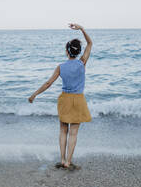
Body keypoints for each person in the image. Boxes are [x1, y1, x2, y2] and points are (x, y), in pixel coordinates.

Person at [28, 23, 93, 169]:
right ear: (78, 52)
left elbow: (48, 83)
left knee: (63, 130)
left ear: (67, 51)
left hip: (65, 99)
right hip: (78, 100)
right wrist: (81, 28)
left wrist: (34, 94)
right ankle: (68, 162)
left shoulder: (61, 67)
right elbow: (90, 43)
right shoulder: (82, 63)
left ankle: (62, 159)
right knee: (73, 133)